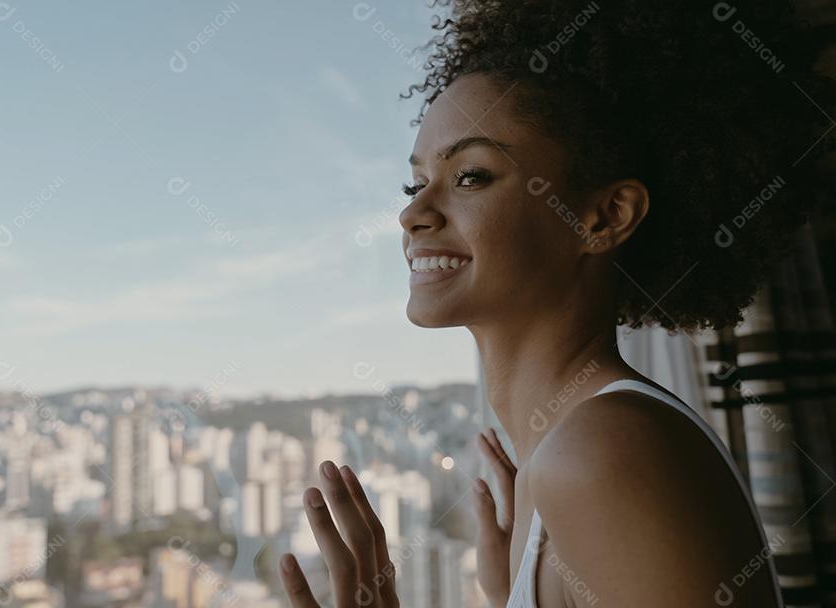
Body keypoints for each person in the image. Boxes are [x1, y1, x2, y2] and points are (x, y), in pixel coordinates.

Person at [276, 0, 835, 606]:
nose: (412, 213)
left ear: (604, 217)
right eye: (416, 184)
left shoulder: (600, 456)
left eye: (470, 176)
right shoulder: (561, 463)